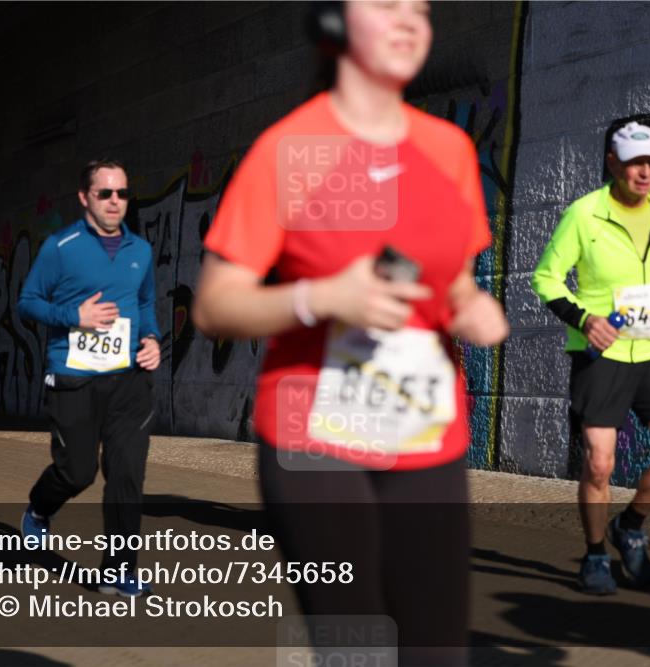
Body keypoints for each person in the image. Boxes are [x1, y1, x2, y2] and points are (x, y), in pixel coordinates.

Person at [193, 2, 507, 663]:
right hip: (314, 436)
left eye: (421, 9)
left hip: (424, 429)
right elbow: (214, 306)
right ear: (334, 22)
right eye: (387, 4)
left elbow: (454, 281)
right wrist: (324, 297)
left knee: (435, 650)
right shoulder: (289, 150)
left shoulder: (448, 149)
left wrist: (471, 306)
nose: (410, 20)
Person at [532, 121, 650, 595]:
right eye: (634, 163)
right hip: (602, 354)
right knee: (599, 464)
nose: (645, 173)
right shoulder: (584, 214)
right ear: (612, 163)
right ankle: (595, 555)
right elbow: (545, 278)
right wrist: (585, 319)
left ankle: (630, 525)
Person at [18, 158, 161, 598]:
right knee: (77, 472)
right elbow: (27, 302)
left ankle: (119, 570)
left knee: (126, 474)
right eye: (105, 193)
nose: (115, 201)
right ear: (85, 197)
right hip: (74, 378)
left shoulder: (140, 250)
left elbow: (146, 303)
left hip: (129, 380)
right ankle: (39, 509)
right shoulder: (60, 248)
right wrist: (73, 315)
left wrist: (152, 339)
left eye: (122, 193)